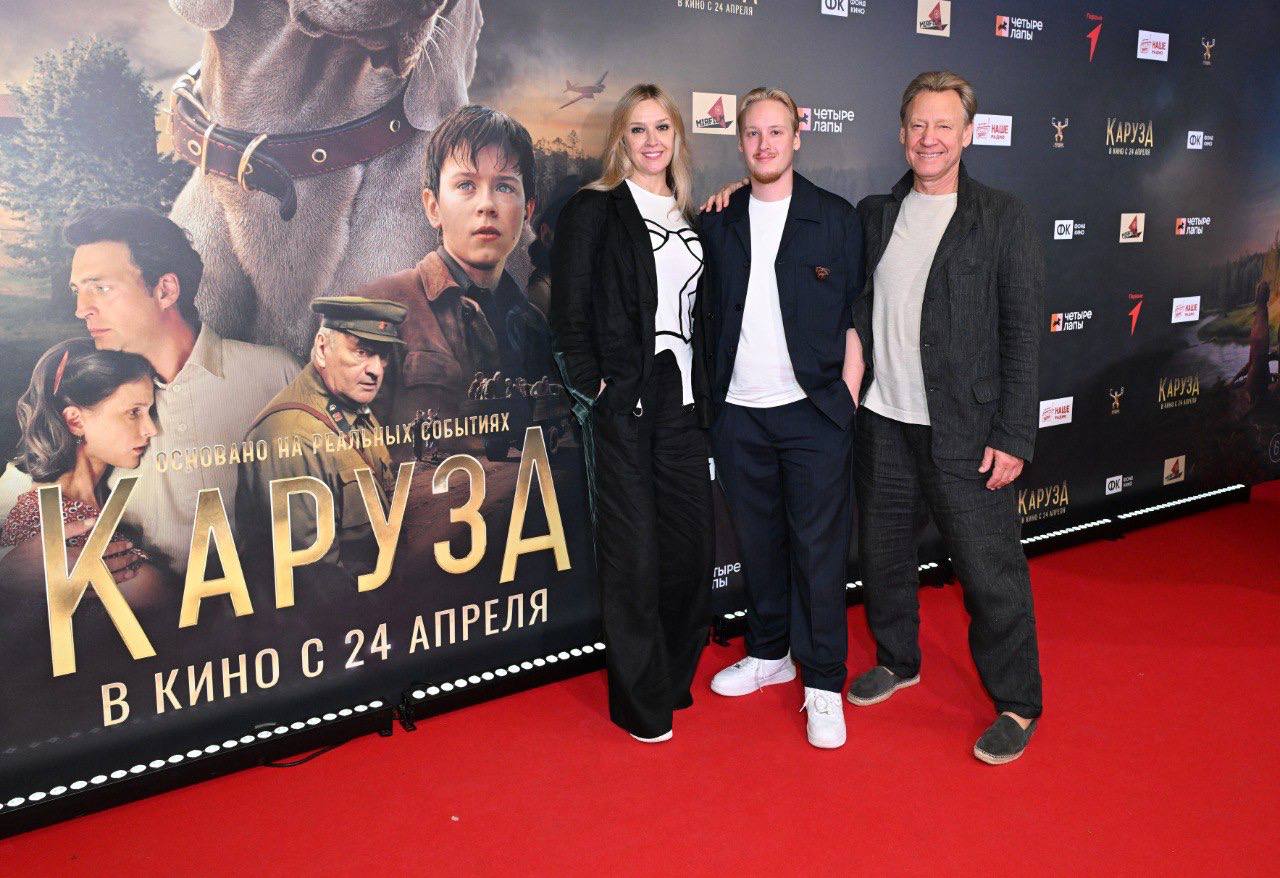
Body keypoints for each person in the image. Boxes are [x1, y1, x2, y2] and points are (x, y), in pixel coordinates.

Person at [848, 72, 1045, 764]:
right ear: (901, 134)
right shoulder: (876, 214)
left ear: (967, 134)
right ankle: (898, 660)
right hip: (883, 420)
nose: (929, 138)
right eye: (918, 125)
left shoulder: (1002, 217)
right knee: (884, 557)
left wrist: (1014, 434)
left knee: (991, 574)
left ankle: (1018, 702)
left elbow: (1023, 332)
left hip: (967, 429)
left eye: (943, 125)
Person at [0, 206, 300, 573]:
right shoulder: (94, 387)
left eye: (101, 288)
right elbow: (33, 473)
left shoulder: (275, 374)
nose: (81, 309)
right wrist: (7, 570)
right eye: (78, 291)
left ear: (165, 290)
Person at [698, 87, 864, 749]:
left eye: (776, 132)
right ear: (740, 142)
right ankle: (770, 654)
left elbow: (858, 312)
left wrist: (847, 395)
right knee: (759, 546)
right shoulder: (718, 219)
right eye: (753, 134)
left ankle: (822, 683)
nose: (764, 144)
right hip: (739, 416)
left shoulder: (835, 218)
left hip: (814, 413)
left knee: (819, 555)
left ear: (798, 137)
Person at [550, 83, 713, 744]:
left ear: (677, 137)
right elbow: (567, 317)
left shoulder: (691, 215)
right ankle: (641, 705)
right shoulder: (594, 209)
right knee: (633, 559)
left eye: (662, 128)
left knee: (690, 552)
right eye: (638, 129)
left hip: (685, 404)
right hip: (626, 405)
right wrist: (597, 390)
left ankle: (671, 678)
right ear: (621, 139)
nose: (651, 141)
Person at [355, 105, 536, 433]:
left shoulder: (536, 326)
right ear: (433, 207)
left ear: (528, 211)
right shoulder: (379, 308)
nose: (486, 205)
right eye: (466, 185)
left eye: (505, 187)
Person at [237, 297, 406, 580]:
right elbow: (316, 584)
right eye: (362, 352)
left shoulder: (352, 408)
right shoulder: (292, 437)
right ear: (322, 348)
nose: (376, 370)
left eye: (383, 355)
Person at [0, 339, 163, 600]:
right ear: (75, 421)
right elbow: (158, 595)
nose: (152, 429)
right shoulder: (41, 515)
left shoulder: (108, 488)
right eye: (134, 412)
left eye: (149, 411)